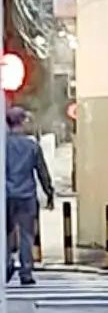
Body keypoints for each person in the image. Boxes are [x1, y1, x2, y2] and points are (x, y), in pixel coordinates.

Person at [6, 107, 54, 285]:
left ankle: (6, 264)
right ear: (22, 122)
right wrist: (49, 192)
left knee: (5, 234)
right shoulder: (32, 146)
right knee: (27, 235)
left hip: (6, 197)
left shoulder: (3, 145)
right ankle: (25, 272)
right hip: (26, 196)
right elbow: (42, 171)